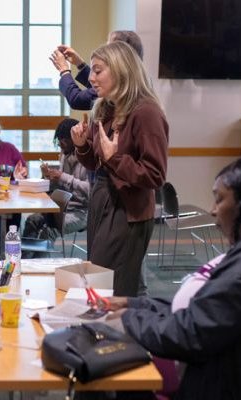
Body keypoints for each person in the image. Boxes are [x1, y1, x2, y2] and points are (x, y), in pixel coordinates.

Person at [106, 155, 241, 399]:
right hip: (214, 374)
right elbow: (204, 306)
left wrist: (127, 320)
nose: (213, 210)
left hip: (223, 385)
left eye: (219, 199)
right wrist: (134, 304)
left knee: (109, 378)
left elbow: (194, 331)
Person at [72, 41, 168, 296]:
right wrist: (81, 146)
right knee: (100, 278)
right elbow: (95, 162)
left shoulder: (146, 112)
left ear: (121, 70)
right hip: (102, 198)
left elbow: (155, 175)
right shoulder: (104, 108)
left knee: (113, 288)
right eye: (91, 71)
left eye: (97, 70)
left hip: (128, 210)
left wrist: (115, 159)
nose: (90, 78)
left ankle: (117, 333)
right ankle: (109, 331)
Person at [22, 118, 88, 254]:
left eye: (63, 140)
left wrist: (62, 177)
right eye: (58, 140)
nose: (60, 144)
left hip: (82, 212)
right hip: (62, 209)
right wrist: (48, 177)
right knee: (32, 220)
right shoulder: (64, 155)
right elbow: (61, 187)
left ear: (74, 138)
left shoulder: (88, 158)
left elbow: (89, 191)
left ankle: (40, 269)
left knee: (49, 231)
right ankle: (25, 261)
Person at [50, 31, 144, 110]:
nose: (104, 51)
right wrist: (80, 64)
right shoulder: (136, 81)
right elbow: (97, 82)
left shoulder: (118, 86)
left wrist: (64, 71)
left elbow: (76, 100)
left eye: (109, 47)